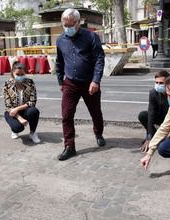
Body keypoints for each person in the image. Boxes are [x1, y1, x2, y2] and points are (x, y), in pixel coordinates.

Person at [56, 8, 106, 161]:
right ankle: (69, 146)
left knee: (95, 112)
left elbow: (99, 59)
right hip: (70, 83)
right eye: (65, 25)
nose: (68, 28)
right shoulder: (60, 40)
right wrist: (60, 81)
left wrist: (96, 80)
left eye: (71, 25)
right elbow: (59, 62)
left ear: (78, 23)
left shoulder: (91, 37)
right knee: (66, 115)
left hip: (89, 82)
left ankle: (98, 133)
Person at [3, 61, 41, 144]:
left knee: (34, 111)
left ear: (25, 73)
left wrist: (18, 108)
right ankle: (14, 130)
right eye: (17, 74)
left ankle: (33, 133)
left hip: (25, 110)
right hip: (11, 112)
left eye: (22, 74)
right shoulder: (7, 84)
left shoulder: (30, 82)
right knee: (17, 128)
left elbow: (32, 102)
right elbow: (8, 106)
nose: (20, 76)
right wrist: (20, 118)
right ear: (13, 73)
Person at [138, 70, 170, 152]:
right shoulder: (153, 93)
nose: (158, 85)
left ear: (168, 83)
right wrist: (149, 136)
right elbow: (151, 113)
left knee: (166, 146)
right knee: (143, 115)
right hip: (160, 117)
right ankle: (154, 135)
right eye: (157, 82)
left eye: (161, 83)